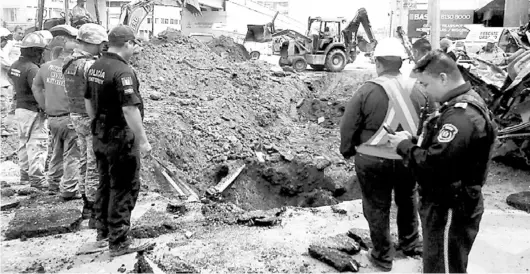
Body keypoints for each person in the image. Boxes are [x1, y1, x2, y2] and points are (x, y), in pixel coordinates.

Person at [388, 51, 496, 273]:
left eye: (425, 84)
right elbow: (450, 153)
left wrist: (405, 147)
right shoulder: (461, 106)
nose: (424, 90)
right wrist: (416, 142)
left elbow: (434, 167)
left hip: (450, 207)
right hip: (453, 202)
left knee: (443, 266)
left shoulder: (461, 116)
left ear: (443, 78)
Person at [340, 38, 431, 272]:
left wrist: (347, 150)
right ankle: (410, 243)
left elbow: (348, 125)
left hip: (371, 161)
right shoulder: (419, 89)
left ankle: (382, 256)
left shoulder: (367, 90)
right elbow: (430, 126)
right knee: (408, 198)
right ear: (401, 63)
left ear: (378, 63)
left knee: (376, 206)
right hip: (407, 159)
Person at [85, 25, 152, 257]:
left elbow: (88, 101)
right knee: (123, 186)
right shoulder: (123, 71)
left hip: (100, 133)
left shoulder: (95, 66)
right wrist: (142, 140)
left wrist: (97, 124)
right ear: (128, 44)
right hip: (120, 136)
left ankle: (102, 232)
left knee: (104, 182)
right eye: (135, 44)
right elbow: (129, 109)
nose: (135, 48)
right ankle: (119, 242)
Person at [62, 23, 107, 226]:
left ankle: (85, 202)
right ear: (93, 43)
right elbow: (97, 93)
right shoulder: (88, 65)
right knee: (94, 164)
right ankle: (94, 207)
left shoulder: (69, 61)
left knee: (83, 161)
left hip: (75, 114)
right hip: (89, 117)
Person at [32, 27, 81, 200]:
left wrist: (45, 106)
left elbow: (36, 87)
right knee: (72, 154)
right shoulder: (74, 68)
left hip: (52, 118)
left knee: (56, 151)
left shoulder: (45, 67)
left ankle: (53, 183)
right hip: (70, 118)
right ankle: (69, 188)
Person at [9, 31, 52, 189]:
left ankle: (24, 176)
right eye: (40, 51)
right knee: (37, 143)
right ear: (34, 51)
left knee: (23, 142)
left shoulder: (15, 65)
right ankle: (37, 179)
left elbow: (11, 79)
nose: (41, 55)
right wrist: (45, 107)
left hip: (20, 109)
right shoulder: (32, 69)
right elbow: (37, 90)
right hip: (33, 110)